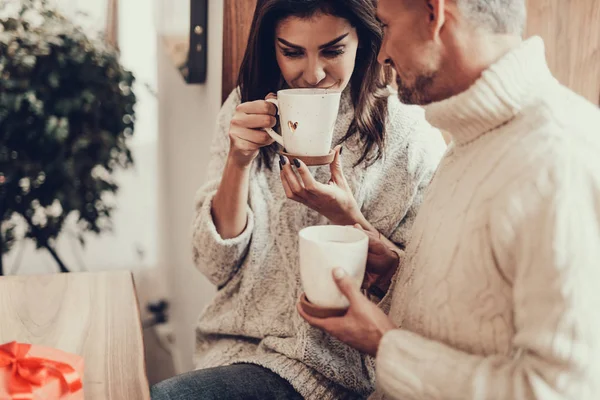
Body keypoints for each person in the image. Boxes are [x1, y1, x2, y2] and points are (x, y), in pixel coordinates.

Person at [299, 0, 600, 399]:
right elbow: (477, 310)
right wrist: (393, 268)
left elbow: (560, 390)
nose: (383, 52)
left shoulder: (558, 160)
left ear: (434, 13)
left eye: (386, 26)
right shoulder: (472, 138)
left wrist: (387, 344)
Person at [150, 0, 446, 399]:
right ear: (271, 46)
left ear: (367, 40)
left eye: (333, 50)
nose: (313, 74)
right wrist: (239, 160)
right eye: (292, 52)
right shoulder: (247, 110)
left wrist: (349, 220)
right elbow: (214, 265)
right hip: (235, 352)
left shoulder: (410, 136)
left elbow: (420, 302)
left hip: (337, 374)